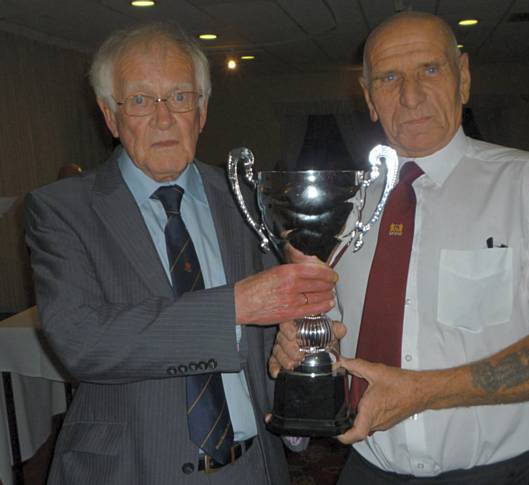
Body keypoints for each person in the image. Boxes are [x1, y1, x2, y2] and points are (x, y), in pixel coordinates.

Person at [270, 12, 529, 485]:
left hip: (500, 474)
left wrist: (425, 391)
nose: (411, 95)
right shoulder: (345, 205)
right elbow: (334, 328)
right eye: (390, 77)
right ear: (369, 97)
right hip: (368, 470)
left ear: (464, 77)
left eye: (431, 70)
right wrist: (299, 346)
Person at [25, 23, 337, 485]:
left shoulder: (248, 198)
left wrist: (296, 347)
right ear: (110, 116)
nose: (164, 117)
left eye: (179, 97)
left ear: (203, 110)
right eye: (140, 100)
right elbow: (82, 341)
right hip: (128, 470)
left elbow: (277, 329)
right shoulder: (63, 209)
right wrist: (236, 305)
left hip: (254, 467)